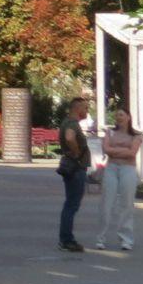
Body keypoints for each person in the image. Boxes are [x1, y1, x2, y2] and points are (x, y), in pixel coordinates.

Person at [94, 109, 141, 252]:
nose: (118, 117)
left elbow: (132, 153)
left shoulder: (136, 136)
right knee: (107, 203)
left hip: (128, 169)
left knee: (127, 204)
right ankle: (101, 238)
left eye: (121, 115)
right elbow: (106, 149)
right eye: (116, 115)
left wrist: (115, 150)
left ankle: (126, 239)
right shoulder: (110, 133)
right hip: (111, 168)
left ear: (128, 117)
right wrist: (122, 151)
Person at [58, 95, 93, 253]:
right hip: (76, 168)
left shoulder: (67, 122)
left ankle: (65, 239)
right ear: (77, 109)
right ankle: (67, 240)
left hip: (72, 167)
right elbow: (70, 137)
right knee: (72, 205)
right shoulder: (72, 123)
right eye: (85, 108)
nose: (87, 111)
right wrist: (78, 154)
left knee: (70, 204)